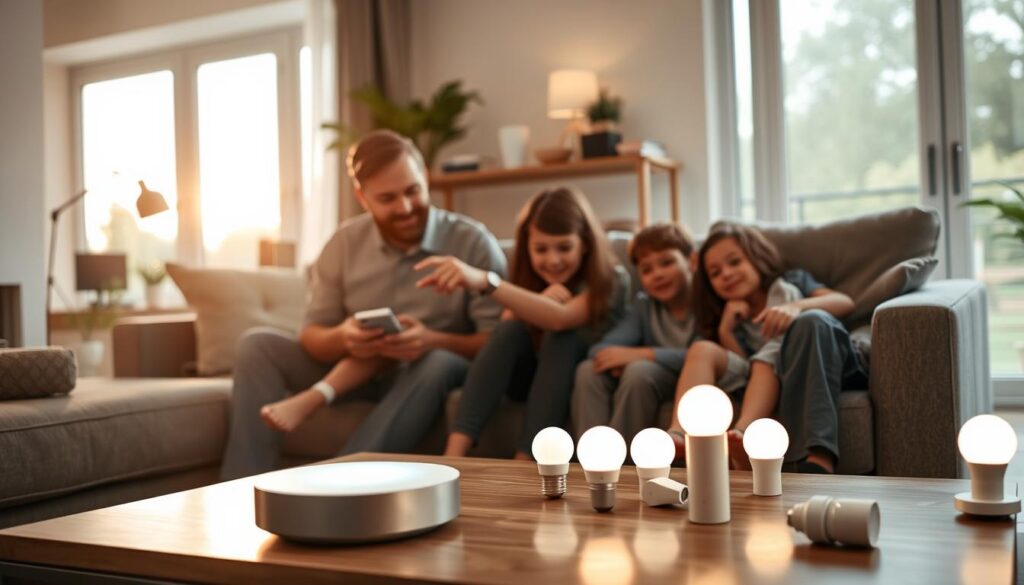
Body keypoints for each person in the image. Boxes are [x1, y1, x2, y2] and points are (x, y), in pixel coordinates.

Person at [220, 129, 507, 480]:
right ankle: (241, 485)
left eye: (413, 191)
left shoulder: (472, 242)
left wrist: (434, 340)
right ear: (362, 197)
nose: (404, 208)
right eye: (387, 198)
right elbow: (312, 335)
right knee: (257, 345)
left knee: (436, 361)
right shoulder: (343, 244)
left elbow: (501, 342)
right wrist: (344, 336)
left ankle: (342, 479)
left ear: (425, 179)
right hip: (359, 368)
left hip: (434, 373)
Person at [415, 187, 630, 459]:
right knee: (509, 329)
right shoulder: (527, 277)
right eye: (541, 249)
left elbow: (560, 319)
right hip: (527, 375)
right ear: (527, 248)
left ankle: (526, 458)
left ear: (584, 243)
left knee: (559, 336)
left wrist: (485, 281)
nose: (553, 260)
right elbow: (505, 326)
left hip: (575, 376)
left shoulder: (612, 279)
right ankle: (454, 454)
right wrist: (537, 301)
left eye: (564, 247)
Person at [668, 221, 854, 468]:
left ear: (756, 258)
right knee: (703, 349)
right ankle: (678, 434)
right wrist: (726, 331)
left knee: (768, 355)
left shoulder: (792, 281)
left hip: (793, 362)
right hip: (760, 379)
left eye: (734, 262)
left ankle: (744, 432)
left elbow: (844, 302)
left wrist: (795, 307)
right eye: (715, 273)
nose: (726, 274)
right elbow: (743, 368)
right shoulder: (726, 313)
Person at [571, 223, 699, 444]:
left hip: (690, 377)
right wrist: (616, 359)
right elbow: (599, 350)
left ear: (692, 261)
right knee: (587, 369)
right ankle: (591, 459)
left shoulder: (706, 304)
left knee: (639, 370)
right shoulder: (644, 307)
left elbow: (705, 356)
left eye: (667, 263)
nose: (657, 274)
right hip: (654, 374)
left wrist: (643, 354)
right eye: (647, 269)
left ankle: (622, 463)